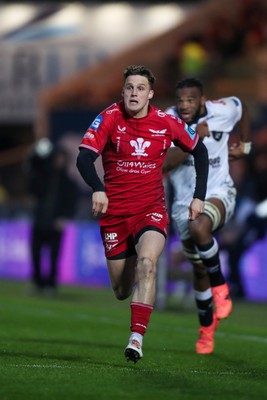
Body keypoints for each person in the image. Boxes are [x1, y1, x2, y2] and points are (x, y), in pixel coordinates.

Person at [76, 65, 209, 363]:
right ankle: (136, 284)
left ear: (150, 94)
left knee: (148, 264)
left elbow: (199, 151)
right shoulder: (109, 117)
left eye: (139, 88)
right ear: (122, 92)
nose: (133, 93)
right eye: (129, 88)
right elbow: (84, 158)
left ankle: (136, 339)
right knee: (122, 290)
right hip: (115, 216)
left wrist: (198, 197)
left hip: (150, 211)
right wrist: (98, 188)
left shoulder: (166, 122)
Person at [163, 77, 251, 354]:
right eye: (180, 100)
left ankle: (221, 287)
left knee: (200, 225)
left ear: (202, 100)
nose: (185, 105)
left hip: (218, 192)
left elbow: (242, 108)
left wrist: (245, 146)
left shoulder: (221, 110)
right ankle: (206, 329)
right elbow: (164, 164)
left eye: (191, 100)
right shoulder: (167, 120)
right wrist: (192, 136)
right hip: (182, 204)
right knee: (199, 268)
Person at [27, 138, 78, 296]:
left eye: (62, 158)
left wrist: (65, 218)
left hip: (56, 224)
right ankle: (37, 282)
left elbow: (72, 204)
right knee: (35, 253)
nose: (59, 161)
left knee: (54, 256)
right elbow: (32, 185)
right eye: (57, 157)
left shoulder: (69, 182)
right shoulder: (43, 175)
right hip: (40, 221)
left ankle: (50, 284)